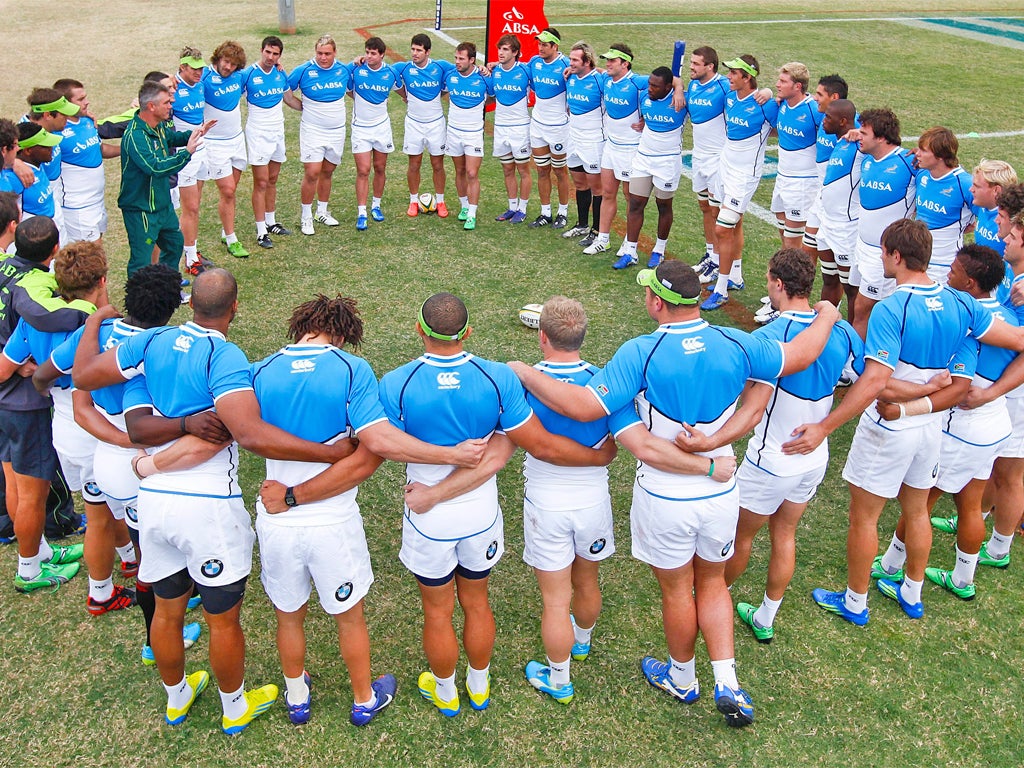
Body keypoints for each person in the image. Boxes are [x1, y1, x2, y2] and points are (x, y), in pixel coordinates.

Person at [509, 260, 842, 727]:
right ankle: (727, 678)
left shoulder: (639, 353)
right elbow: (799, 356)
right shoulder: (737, 341)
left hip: (665, 495)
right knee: (712, 581)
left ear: (657, 302)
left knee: (677, 593)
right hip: (722, 488)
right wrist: (827, 315)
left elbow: (584, 406)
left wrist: (523, 371)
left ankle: (683, 677)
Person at [71, 269, 363, 733]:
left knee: (167, 610)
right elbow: (246, 433)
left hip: (153, 504)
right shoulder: (225, 356)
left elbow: (85, 376)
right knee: (222, 621)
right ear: (235, 306)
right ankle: (233, 708)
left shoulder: (152, 345)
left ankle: (176, 698)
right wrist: (329, 452)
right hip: (207, 505)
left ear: (190, 304)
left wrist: (93, 323)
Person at [249, 294, 490, 726]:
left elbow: (244, 432)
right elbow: (371, 450)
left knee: (288, 615)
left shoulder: (259, 371)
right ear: (342, 333)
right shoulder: (352, 370)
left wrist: (286, 496)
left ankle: (297, 697)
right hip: (332, 521)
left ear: (302, 324)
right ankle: (363, 698)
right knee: (350, 618)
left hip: (277, 521)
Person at [378, 293, 622, 717]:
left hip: (427, 519)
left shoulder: (396, 382)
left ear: (419, 329)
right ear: (468, 332)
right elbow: (520, 449)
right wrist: (600, 456)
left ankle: (446, 692)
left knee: (437, 614)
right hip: (481, 517)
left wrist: (434, 489)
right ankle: (479, 683)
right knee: (477, 603)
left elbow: (382, 444)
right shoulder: (496, 379)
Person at [785, 219, 1024, 625]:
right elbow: (981, 368)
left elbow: (878, 382)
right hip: (932, 429)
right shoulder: (962, 304)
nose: (880, 258)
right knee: (917, 512)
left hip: (889, 431)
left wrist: (826, 427)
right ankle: (911, 592)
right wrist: (926, 393)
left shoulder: (892, 308)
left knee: (865, 517)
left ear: (896, 256)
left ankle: (855, 602)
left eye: (882, 252)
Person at [40, 264, 208, 660]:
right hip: (140, 465)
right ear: (171, 309)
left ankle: (156, 604)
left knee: (135, 539)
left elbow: (56, 380)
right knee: (155, 557)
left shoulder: (93, 334)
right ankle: (158, 639)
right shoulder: (158, 348)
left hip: (104, 461)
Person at [724, 249, 863, 643]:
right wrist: (827, 427)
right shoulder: (839, 330)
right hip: (813, 458)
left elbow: (743, 399)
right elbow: (870, 381)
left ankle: (715, 597)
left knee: (741, 538)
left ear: (779, 285)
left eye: (768, 279)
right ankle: (766, 616)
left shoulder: (768, 338)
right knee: (785, 534)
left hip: (772, 460)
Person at [874, 245, 1016, 601]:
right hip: (995, 425)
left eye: (952, 270)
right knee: (971, 503)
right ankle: (963, 578)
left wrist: (908, 408)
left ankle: (894, 568)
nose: (944, 275)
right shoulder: (1011, 318)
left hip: (962, 428)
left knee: (920, 502)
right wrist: (995, 391)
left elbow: (958, 387)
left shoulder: (966, 319)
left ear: (969, 282)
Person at [0, 241, 131, 617]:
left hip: (65, 434)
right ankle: (105, 591)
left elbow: (14, 365)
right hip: (99, 431)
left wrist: (33, 372)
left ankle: (127, 559)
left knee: (101, 509)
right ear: (103, 279)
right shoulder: (105, 327)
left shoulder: (32, 321)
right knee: (107, 515)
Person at [0, 216, 92, 594]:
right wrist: (96, 312)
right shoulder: (31, 285)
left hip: (6, 394)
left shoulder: (3, 265)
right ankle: (28, 570)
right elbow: (46, 314)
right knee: (31, 492)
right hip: (23, 405)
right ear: (54, 251)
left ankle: (38, 551)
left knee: (14, 481)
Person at [702, 55, 779, 310]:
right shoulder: (730, 97)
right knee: (733, 223)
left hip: (744, 176)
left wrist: (771, 93)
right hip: (724, 168)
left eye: (734, 73)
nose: (729, 77)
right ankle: (734, 275)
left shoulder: (765, 105)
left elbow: (785, 119)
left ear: (748, 77)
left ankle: (722, 289)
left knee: (723, 229)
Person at [118, 80, 209, 278]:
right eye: (167, 102)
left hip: (162, 206)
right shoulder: (135, 137)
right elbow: (155, 167)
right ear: (152, 106)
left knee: (175, 244)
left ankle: (166, 286)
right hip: (141, 210)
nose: (171, 105)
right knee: (140, 261)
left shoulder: (157, 126)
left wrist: (195, 133)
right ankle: (139, 303)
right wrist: (187, 153)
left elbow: (171, 137)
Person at [845, 108, 917, 338]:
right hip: (861, 245)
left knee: (865, 310)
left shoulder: (909, 163)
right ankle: (852, 353)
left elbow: (943, 174)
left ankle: (854, 367)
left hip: (883, 254)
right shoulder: (867, 159)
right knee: (854, 300)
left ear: (882, 138)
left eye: (864, 132)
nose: (859, 135)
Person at [615, 68, 685, 270]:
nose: (650, 89)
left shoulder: (680, 101)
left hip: (667, 162)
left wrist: (679, 88)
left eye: (655, 86)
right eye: (649, 84)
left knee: (663, 206)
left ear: (668, 87)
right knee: (635, 203)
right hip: (643, 160)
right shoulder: (645, 97)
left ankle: (659, 250)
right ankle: (630, 250)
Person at [581, 44, 645, 254]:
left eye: (612, 61)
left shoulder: (637, 83)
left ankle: (629, 240)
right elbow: (592, 71)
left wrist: (647, 119)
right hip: (610, 146)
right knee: (608, 193)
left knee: (630, 198)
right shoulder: (606, 80)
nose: (607, 64)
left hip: (630, 149)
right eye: (606, 60)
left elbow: (670, 82)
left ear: (625, 63)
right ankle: (603, 239)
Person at [287, 34, 352, 235]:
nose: (323, 57)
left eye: (327, 54)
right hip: (312, 130)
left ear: (335, 53)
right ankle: (306, 216)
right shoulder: (303, 70)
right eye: (319, 53)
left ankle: (321, 211)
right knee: (312, 171)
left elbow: (354, 86)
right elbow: (285, 91)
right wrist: (303, 108)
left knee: (328, 170)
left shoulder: (343, 70)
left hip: (337, 130)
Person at [242, 35, 299, 248]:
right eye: (268, 52)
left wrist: (313, 109)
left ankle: (271, 221)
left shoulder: (280, 73)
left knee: (273, 178)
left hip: (278, 132)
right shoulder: (248, 74)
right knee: (261, 182)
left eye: (275, 54)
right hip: (257, 133)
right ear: (261, 50)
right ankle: (260, 231)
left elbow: (290, 99)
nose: (271, 57)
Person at [51, 79, 121, 244]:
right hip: (77, 209)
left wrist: (127, 150)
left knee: (95, 253)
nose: (87, 102)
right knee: (91, 260)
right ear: (65, 103)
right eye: (80, 99)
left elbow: (100, 149)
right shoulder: (55, 132)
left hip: (97, 202)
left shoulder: (87, 121)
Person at [393, 34, 455, 219]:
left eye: (419, 50)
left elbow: (464, 69)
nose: (414, 53)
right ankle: (413, 201)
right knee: (414, 164)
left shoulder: (440, 67)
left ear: (428, 52)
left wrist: (484, 68)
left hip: (436, 124)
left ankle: (441, 201)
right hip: (413, 123)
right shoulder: (403, 68)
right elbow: (381, 70)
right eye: (413, 49)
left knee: (438, 164)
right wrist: (404, 95)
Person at [202, 41, 250, 258]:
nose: (228, 67)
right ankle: (231, 239)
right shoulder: (203, 77)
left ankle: (225, 229)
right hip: (214, 144)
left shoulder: (240, 77)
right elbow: (176, 83)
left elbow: (261, 70)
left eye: (233, 64)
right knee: (228, 190)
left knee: (231, 191)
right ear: (218, 58)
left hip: (237, 141)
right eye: (225, 61)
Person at [685, 46, 730, 275]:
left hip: (717, 160)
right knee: (704, 207)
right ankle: (711, 255)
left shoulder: (723, 87)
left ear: (710, 66)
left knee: (717, 213)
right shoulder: (693, 85)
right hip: (699, 156)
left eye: (695, 64)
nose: (691, 67)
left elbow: (747, 95)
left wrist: (769, 94)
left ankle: (721, 262)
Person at [815, 99, 863, 314]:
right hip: (827, 223)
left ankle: (852, 335)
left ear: (843, 121)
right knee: (828, 279)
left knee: (851, 288)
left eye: (828, 117)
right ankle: (824, 325)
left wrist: (859, 133)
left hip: (846, 229)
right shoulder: (840, 142)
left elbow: (884, 144)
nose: (823, 121)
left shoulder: (859, 146)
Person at [771, 63, 823, 251]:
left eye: (783, 81)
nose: (777, 84)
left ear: (797, 86)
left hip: (803, 183)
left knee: (793, 243)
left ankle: (794, 279)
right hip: (782, 178)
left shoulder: (814, 110)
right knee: (785, 237)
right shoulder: (782, 105)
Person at [912, 126, 974, 284]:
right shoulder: (922, 173)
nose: (917, 153)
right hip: (915, 259)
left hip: (943, 266)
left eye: (923, 150)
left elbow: (989, 217)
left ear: (940, 155)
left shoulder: (964, 184)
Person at [350, 37, 398, 231]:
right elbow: (346, 89)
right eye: (367, 52)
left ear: (381, 55)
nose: (369, 57)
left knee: (380, 167)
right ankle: (362, 212)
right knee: (363, 170)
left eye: (373, 54)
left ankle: (376, 206)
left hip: (382, 128)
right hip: (360, 128)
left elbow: (402, 91)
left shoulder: (390, 73)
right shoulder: (356, 69)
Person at [173, 47, 212, 276]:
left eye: (201, 68)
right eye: (194, 69)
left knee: (195, 207)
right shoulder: (173, 88)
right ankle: (188, 259)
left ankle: (192, 252)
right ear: (182, 67)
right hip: (184, 154)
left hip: (202, 150)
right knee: (190, 207)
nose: (199, 72)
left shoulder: (201, 82)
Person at [561, 42, 606, 244]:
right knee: (579, 184)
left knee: (597, 188)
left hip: (593, 140)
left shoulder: (600, 79)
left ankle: (597, 231)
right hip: (573, 137)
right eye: (570, 59)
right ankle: (582, 224)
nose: (571, 63)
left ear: (587, 61)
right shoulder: (570, 77)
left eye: (575, 60)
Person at [444, 42, 492, 231]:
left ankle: (472, 213)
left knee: (472, 173)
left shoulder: (484, 78)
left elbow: (492, 97)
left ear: (472, 60)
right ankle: (464, 205)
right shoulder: (449, 75)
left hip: (473, 133)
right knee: (460, 171)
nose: (457, 62)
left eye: (461, 59)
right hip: (453, 131)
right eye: (456, 58)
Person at [527, 28, 571, 229]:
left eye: (545, 44)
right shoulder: (534, 62)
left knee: (560, 171)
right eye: (539, 44)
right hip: (537, 125)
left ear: (555, 46)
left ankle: (563, 212)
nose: (540, 48)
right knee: (542, 170)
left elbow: (588, 72)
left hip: (559, 128)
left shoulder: (566, 65)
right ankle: (545, 212)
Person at [488, 34, 532, 224]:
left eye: (506, 49)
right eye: (500, 49)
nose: (501, 52)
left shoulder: (525, 71)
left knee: (523, 170)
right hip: (500, 127)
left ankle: (522, 208)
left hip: (520, 128)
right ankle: (512, 206)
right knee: (507, 169)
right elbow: (490, 96)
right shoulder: (495, 71)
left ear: (515, 53)